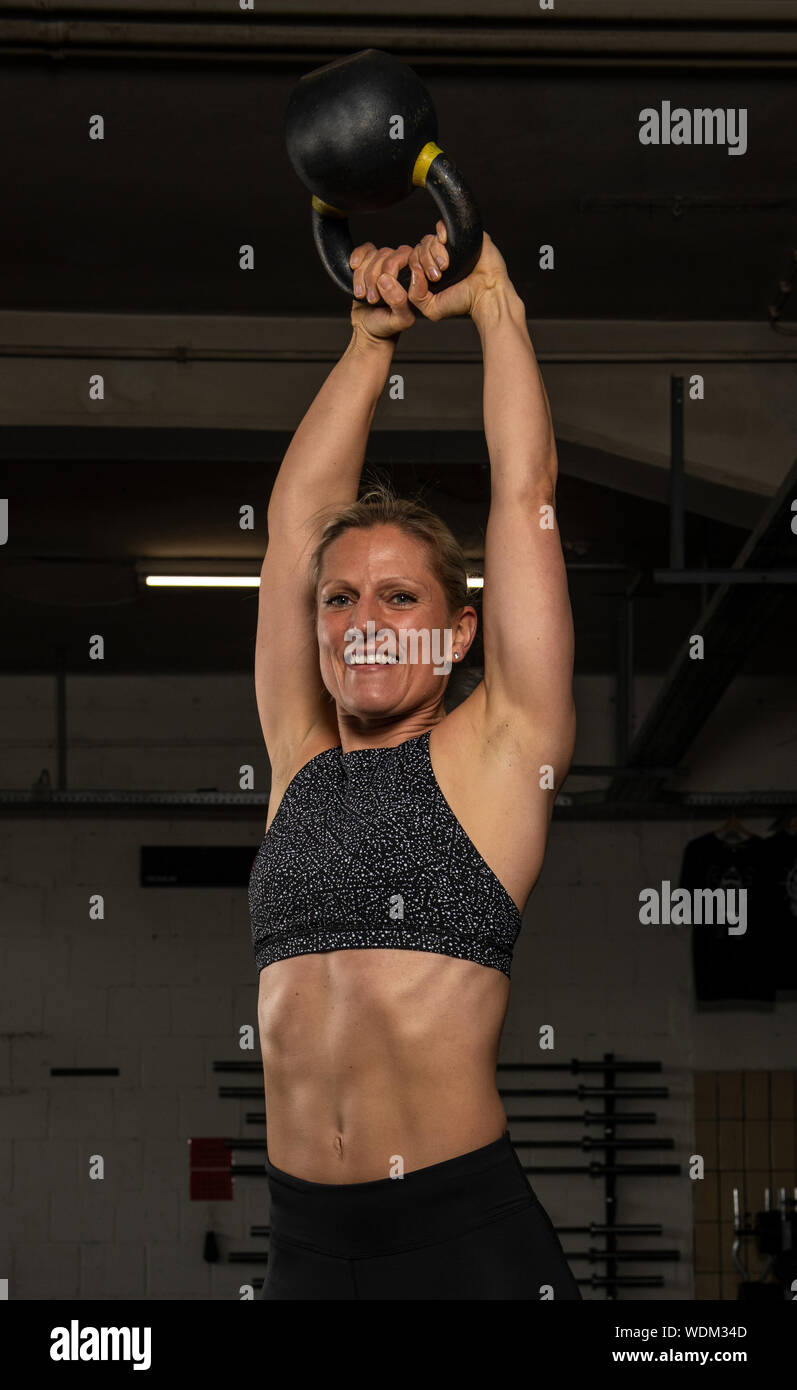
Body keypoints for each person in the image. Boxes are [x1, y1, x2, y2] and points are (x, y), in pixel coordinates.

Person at [249, 223, 580, 1300]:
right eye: (340, 597)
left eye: (400, 596)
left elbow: (525, 490)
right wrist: (367, 341)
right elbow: (293, 525)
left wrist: (493, 308)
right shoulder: (298, 757)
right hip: (302, 1246)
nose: (363, 620)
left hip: (459, 1248)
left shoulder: (497, 748)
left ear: (459, 632)